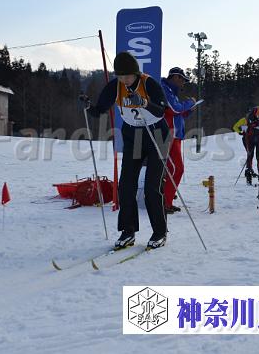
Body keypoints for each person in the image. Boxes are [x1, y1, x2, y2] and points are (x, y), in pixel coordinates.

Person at [82, 51, 170, 250]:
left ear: (136, 73)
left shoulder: (148, 83)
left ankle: (160, 232)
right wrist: (88, 106)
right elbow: (99, 110)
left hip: (156, 134)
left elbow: (161, 110)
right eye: (121, 77)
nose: (124, 81)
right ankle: (128, 231)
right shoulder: (116, 86)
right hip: (134, 136)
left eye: (127, 77)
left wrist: (144, 102)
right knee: (126, 185)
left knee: (152, 187)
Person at [161, 67, 195, 215]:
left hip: (175, 135)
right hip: (167, 135)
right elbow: (174, 109)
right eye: (183, 80)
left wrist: (188, 111)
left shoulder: (172, 92)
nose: (183, 84)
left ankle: (166, 202)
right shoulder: (164, 89)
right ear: (176, 77)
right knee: (175, 169)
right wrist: (189, 103)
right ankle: (164, 203)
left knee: (175, 169)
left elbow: (177, 114)